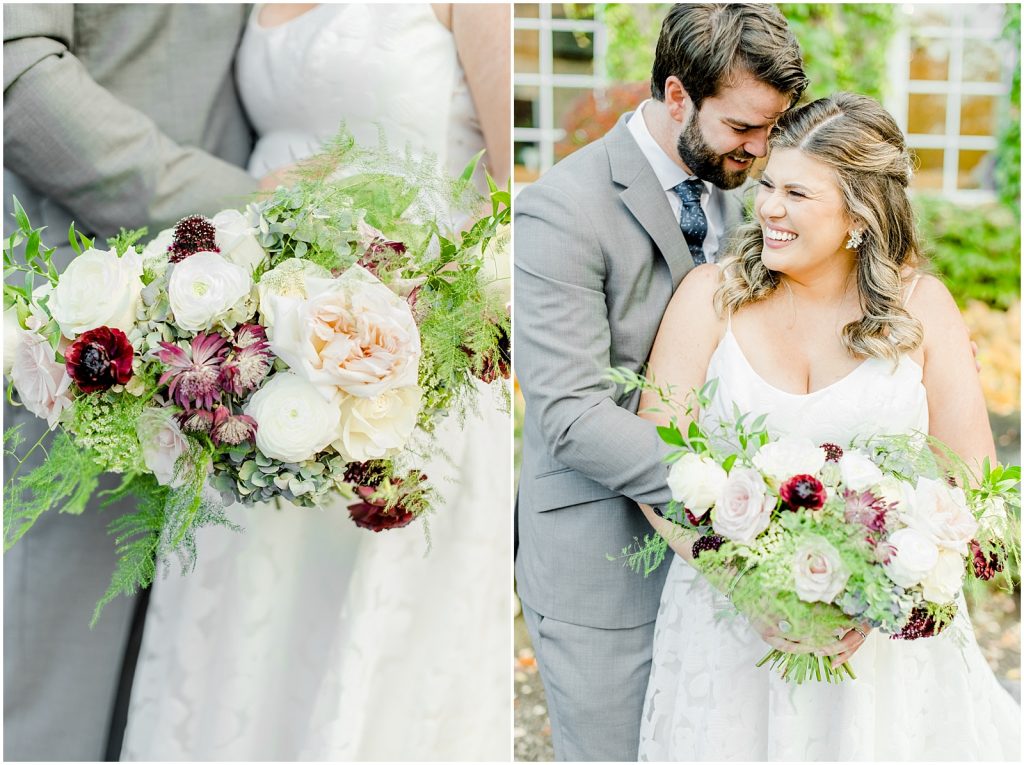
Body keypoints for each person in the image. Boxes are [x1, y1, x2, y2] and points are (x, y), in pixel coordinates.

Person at [118, 4, 511, 760]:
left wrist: (421, 335)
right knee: (242, 643)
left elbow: (510, 197)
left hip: (408, 374)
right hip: (253, 371)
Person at [635, 92, 1020, 761]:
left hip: (881, 653)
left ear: (860, 217)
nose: (771, 209)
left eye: (798, 194)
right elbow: (650, 466)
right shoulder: (709, 296)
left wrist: (892, 583)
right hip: (726, 634)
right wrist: (745, 584)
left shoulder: (922, 309)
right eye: (769, 186)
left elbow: (975, 486)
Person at [514, 4, 806, 760]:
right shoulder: (561, 210)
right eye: (744, 127)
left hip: (729, 573)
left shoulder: (752, 193)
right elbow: (571, 415)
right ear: (678, 96)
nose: (761, 149)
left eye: (774, 127)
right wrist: (732, 499)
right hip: (607, 566)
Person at [2, 5, 262, 760]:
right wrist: (234, 202)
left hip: (247, 344)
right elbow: (15, 64)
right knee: (61, 691)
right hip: (87, 308)